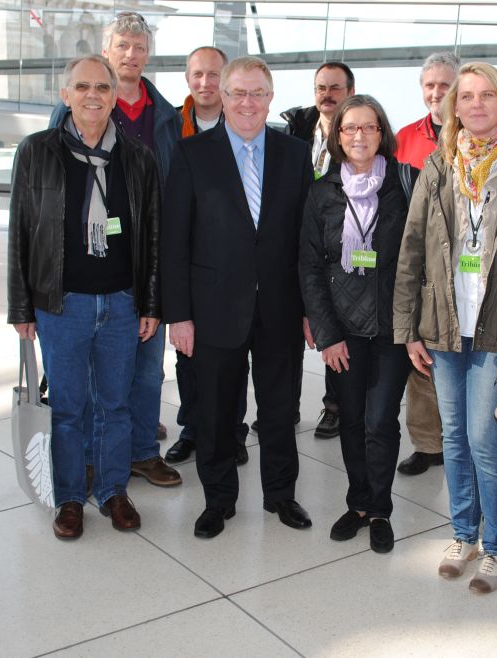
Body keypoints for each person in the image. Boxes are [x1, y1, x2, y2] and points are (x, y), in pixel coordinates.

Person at [393, 62, 497, 592]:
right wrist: (407, 327)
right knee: (453, 436)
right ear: (452, 107)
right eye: (467, 97)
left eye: (487, 95)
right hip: (443, 322)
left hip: (496, 327)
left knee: (485, 437)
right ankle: (464, 532)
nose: (476, 104)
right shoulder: (438, 166)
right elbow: (411, 248)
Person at [161, 56, 314, 539]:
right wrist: (178, 316)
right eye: (238, 93)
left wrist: (311, 311)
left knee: (277, 409)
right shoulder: (191, 155)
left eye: (258, 94)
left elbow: (307, 242)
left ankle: (281, 495)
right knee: (216, 412)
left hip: (280, 310)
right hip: (212, 312)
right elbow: (173, 243)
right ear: (221, 97)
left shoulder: (294, 153)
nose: (248, 103)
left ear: (270, 98)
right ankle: (218, 500)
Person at [8, 56, 160, 539]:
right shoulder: (36, 152)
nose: (92, 94)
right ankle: (71, 497)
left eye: (102, 86)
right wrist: (21, 307)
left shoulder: (138, 158)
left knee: (117, 405)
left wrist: (151, 303)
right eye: (82, 86)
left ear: (115, 94)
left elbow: (152, 236)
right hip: (62, 303)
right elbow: (20, 231)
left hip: (120, 302)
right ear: (65, 94)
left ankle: (114, 490)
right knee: (70, 407)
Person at [49, 11, 182, 489]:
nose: (131, 54)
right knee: (87, 376)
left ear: (148, 54)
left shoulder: (166, 116)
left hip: (144, 260)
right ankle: (89, 456)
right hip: (84, 267)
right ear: (107, 52)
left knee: (147, 368)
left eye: (139, 47)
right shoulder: (70, 111)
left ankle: (143, 451)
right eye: (122, 45)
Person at [300, 95, 413, 554]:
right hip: (342, 332)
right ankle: (359, 503)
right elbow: (309, 267)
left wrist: (413, 328)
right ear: (338, 136)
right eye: (350, 129)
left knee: (380, 422)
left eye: (368, 128)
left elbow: (420, 261)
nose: (359, 136)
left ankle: (381, 508)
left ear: (382, 133)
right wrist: (327, 335)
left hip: (391, 330)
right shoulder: (322, 192)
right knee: (350, 421)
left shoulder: (407, 186)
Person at [165, 46, 252, 468]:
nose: (205, 83)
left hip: (235, 276)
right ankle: (193, 429)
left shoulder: (245, 126)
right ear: (187, 78)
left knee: (233, 363)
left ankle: (232, 432)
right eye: (197, 74)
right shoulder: (169, 128)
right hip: (192, 268)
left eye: (214, 75)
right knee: (188, 358)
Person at [280, 61, 358, 440]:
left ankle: (334, 408)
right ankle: (284, 407)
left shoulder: (356, 136)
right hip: (294, 242)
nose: (327, 95)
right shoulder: (296, 131)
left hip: (336, 246)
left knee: (332, 325)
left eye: (335, 88)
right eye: (320, 88)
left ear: (350, 93)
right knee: (288, 329)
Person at [393, 51, 459, 476]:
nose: (436, 93)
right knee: (420, 362)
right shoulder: (404, 137)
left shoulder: (474, 134)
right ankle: (427, 444)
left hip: (461, 266)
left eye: (445, 85)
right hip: (416, 263)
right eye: (430, 86)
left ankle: (461, 444)